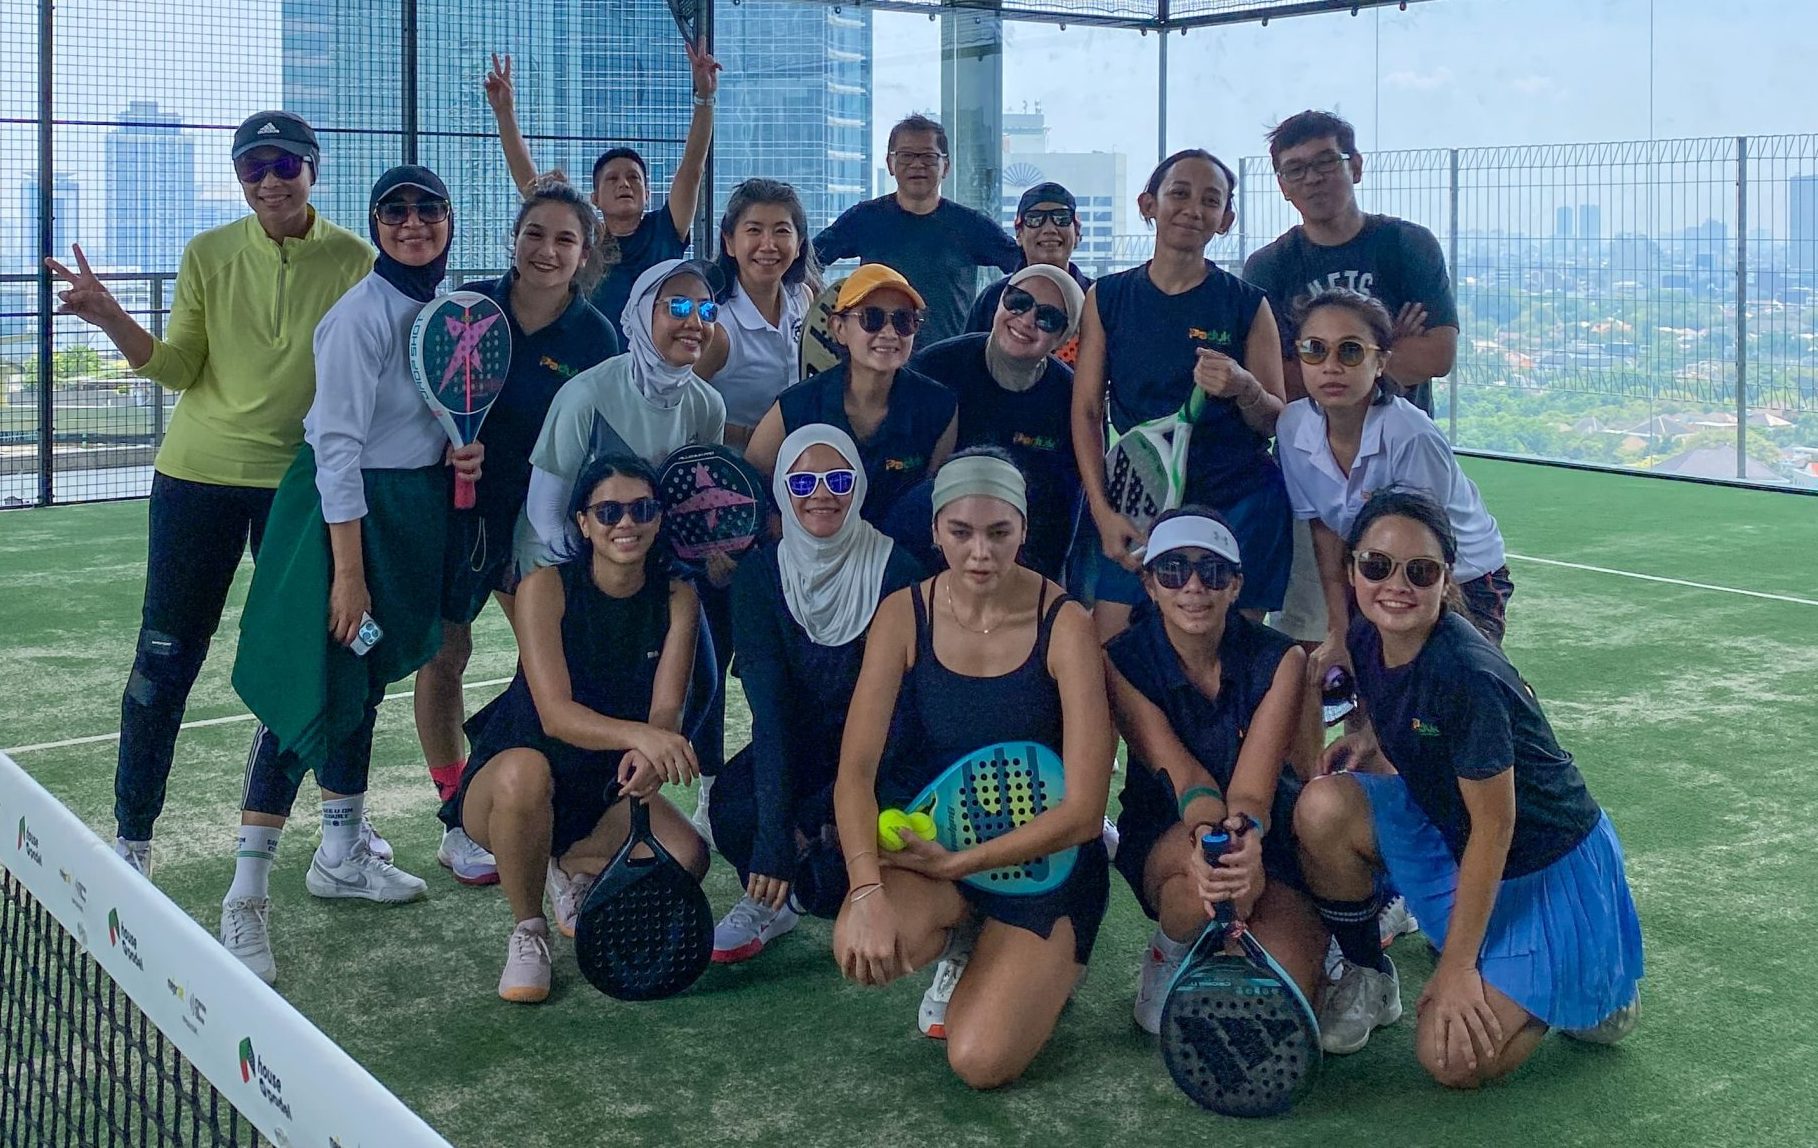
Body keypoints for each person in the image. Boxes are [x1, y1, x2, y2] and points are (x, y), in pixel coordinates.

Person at [45, 111, 371, 876]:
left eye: (284, 165)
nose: (269, 181)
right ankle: (132, 842)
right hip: (195, 479)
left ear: (313, 170)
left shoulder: (355, 260)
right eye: (253, 168)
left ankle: (338, 841)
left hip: (299, 489)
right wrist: (109, 315)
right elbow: (179, 367)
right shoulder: (208, 253)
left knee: (314, 657)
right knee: (163, 662)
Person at [219, 166, 484, 985]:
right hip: (340, 523)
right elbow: (336, 449)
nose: (413, 223)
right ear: (375, 225)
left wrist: (457, 450)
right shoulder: (358, 317)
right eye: (394, 212)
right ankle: (245, 894)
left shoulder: (447, 310)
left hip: (407, 514)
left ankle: (341, 853)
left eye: (428, 209)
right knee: (309, 684)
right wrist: (348, 575)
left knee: (361, 683)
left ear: (448, 219)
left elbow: (439, 414)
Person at [1295, 488, 1642, 1082]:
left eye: (1420, 571)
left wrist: (1455, 968)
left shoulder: (1466, 673)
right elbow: (1409, 706)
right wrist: (1371, 739)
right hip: (1454, 831)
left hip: (1543, 863)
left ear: (1446, 578)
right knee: (1322, 806)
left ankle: (1590, 987)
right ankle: (1370, 974)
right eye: (1377, 565)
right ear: (1351, 569)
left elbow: (1496, 826)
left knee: (1451, 1061)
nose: (1395, 586)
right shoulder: (1366, 636)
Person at [832, 450, 1115, 1087]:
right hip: (942, 846)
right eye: (961, 532)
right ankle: (966, 934)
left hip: (1045, 863)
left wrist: (958, 863)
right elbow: (855, 772)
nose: (980, 553)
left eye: (999, 532)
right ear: (935, 530)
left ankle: (1047, 959)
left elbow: (1084, 813)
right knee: (856, 940)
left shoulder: (1066, 623)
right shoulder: (903, 613)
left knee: (979, 1062)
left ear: (1024, 530)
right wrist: (867, 889)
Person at [411, 177, 620, 886]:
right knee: (445, 656)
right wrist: (445, 447)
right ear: (515, 239)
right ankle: (455, 813)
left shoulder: (595, 337)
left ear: (585, 253)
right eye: (535, 234)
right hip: (459, 521)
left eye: (565, 239)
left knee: (550, 666)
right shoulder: (468, 310)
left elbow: (595, 444)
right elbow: (417, 408)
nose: (546, 250)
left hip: (542, 533)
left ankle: (536, 802)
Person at [448, 455, 706, 1003]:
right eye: (608, 512)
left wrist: (651, 753)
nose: (626, 523)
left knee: (689, 857)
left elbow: (665, 710)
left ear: (659, 518)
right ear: (584, 523)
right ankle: (528, 929)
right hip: (510, 781)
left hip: (604, 786)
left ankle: (571, 864)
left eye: (641, 509)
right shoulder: (544, 587)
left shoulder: (678, 596)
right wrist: (642, 739)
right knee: (525, 773)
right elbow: (555, 715)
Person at [1242, 109, 1461, 648]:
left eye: (1326, 162)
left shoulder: (1406, 246)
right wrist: (1380, 349)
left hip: (1399, 468)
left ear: (1355, 166)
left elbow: (1438, 354)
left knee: (1405, 635)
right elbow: (1278, 380)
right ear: (1282, 185)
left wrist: (1326, 366)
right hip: (1314, 474)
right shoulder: (1269, 266)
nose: (1313, 179)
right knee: (1315, 638)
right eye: (1296, 170)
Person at [1104, 508, 1327, 1033]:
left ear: (1236, 586)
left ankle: (1276, 940)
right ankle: (1169, 949)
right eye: (1173, 570)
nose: (1194, 587)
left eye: (1213, 571)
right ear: (1150, 585)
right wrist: (1213, 843)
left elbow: (1253, 790)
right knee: (1204, 886)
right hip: (1171, 826)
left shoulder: (1282, 660)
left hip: (1265, 828)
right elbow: (1185, 778)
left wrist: (1244, 835)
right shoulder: (1121, 661)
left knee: (1290, 1001)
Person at [706, 424, 923, 963]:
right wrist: (775, 838)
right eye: (802, 483)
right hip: (801, 748)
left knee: (840, 863)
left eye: (838, 480)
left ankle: (823, 889)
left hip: (886, 755)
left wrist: (820, 813)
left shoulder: (898, 571)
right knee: (734, 809)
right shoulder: (759, 577)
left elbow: (903, 717)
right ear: (782, 490)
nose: (821, 494)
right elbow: (772, 716)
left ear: (859, 486)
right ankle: (775, 900)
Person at [1071, 149, 1290, 640]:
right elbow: (1086, 411)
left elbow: (1274, 418)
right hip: (1138, 502)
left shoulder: (1248, 304)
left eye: (1210, 200)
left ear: (1226, 219)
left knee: (1231, 657)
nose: (1193, 209)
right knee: (1111, 651)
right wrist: (1103, 512)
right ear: (1148, 204)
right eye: (1179, 193)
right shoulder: (1107, 297)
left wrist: (1244, 387)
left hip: (1240, 500)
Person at [1277, 289, 1512, 673]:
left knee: (1449, 681)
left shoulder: (1410, 436)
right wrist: (1339, 632)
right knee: (1370, 678)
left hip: (1457, 577)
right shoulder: (1292, 427)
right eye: (1314, 350)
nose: (1331, 366)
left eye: (1350, 351)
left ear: (1381, 362)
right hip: (1379, 571)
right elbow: (1325, 535)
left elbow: (1428, 551)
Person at [483, 46, 720, 346]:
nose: (624, 184)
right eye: (612, 179)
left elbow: (692, 168)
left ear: (647, 194)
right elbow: (531, 188)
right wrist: (504, 112)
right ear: (594, 198)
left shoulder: (665, 230)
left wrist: (705, 98)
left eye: (634, 178)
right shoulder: (584, 241)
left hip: (653, 361)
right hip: (592, 357)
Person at [517, 258, 727, 571]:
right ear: (642, 312)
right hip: (562, 562)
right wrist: (598, 579)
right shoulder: (587, 395)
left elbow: (699, 501)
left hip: (649, 566)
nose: (696, 322)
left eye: (707, 310)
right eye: (679, 307)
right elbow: (546, 512)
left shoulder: (708, 405)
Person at [746, 265, 957, 557]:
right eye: (872, 318)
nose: (889, 332)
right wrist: (786, 536)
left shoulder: (938, 407)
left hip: (900, 563)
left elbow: (933, 502)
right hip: (812, 558)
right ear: (839, 329)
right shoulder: (797, 405)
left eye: (903, 321)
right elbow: (750, 482)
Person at [911, 264, 1084, 581]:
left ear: (1064, 338)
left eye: (1048, 318)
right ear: (1000, 301)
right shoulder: (936, 367)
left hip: (1022, 561)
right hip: (930, 551)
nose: (1026, 320)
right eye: (1018, 301)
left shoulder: (1070, 397)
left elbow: (1067, 509)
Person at [813, 113, 1019, 346]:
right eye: (906, 156)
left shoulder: (970, 225)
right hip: (880, 352)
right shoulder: (865, 218)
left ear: (946, 166)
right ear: (890, 163)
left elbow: (1022, 265)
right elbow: (810, 260)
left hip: (949, 357)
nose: (917, 164)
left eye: (929, 157)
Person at [694, 178, 819, 450]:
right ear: (729, 242)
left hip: (795, 461)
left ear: (799, 244)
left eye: (782, 231)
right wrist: (753, 438)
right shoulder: (717, 328)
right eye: (754, 230)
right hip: (733, 467)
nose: (768, 244)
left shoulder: (802, 298)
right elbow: (682, 410)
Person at [964, 182, 1093, 365]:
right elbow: (969, 365)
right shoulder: (993, 299)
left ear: (1077, 232)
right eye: (1034, 219)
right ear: (1019, 234)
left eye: (1061, 218)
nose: (1049, 229)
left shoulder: (1099, 300)